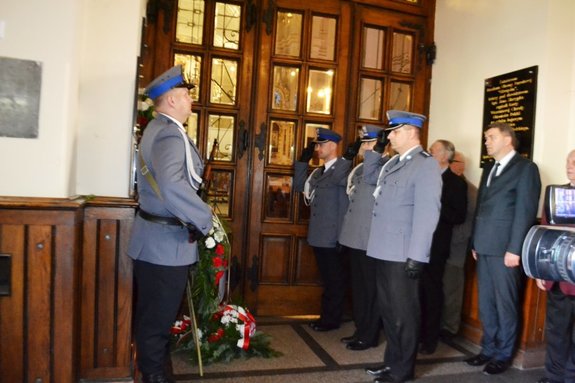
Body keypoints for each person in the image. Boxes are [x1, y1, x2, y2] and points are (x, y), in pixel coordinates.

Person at [128, 66, 213, 383]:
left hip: (155, 240)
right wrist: (205, 218)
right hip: (165, 244)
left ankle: (155, 372)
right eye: (188, 95)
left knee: (153, 317)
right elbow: (172, 183)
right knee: (157, 320)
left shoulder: (155, 128)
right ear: (174, 100)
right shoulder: (168, 133)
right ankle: (153, 376)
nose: (191, 101)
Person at [363, 110, 442, 383]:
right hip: (384, 249)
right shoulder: (396, 162)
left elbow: (427, 214)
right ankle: (391, 363)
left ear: (411, 131)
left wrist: (417, 256)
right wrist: (376, 149)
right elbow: (369, 178)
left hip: (403, 253)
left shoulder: (425, 165)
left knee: (404, 314)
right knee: (389, 311)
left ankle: (403, 370)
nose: (391, 136)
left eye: (395, 131)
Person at [465, 122, 541, 375]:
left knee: (505, 303)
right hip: (485, 245)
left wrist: (515, 249)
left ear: (508, 140)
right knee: (487, 303)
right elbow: (481, 209)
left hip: (505, 249)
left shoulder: (526, 168)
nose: (486, 141)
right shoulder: (490, 168)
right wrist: (475, 241)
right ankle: (488, 349)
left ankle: (504, 354)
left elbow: (525, 211)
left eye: (491, 137)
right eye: (486, 137)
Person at [294, 128, 358, 331]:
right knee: (328, 280)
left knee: (335, 282)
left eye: (321, 145)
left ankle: (331, 320)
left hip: (333, 237)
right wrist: (303, 162)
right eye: (316, 145)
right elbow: (299, 186)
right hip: (319, 236)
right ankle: (326, 317)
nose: (317, 148)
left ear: (332, 145)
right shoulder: (318, 172)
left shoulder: (343, 169)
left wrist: (348, 157)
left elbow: (337, 180)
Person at [339, 125, 389, 351]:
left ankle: (369, 335)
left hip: (371, 239)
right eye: (364, 143)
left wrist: (375, 154)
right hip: (355, 238)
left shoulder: (387, 167)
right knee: (358, 289)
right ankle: (360, 329)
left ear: (381, 146)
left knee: (370, 291)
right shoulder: (359, 168)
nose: (364, 148)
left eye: (368, 143)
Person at [419, 140, 467, 355]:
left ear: (445, 155)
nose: (429, 152)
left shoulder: (456, 184)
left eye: (433, 150)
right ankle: (415, 333)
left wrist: (436, 204)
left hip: (437, 245)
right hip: (417, 242)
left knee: (432, 291)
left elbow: (458, 216)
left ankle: (429, 339)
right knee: (416, 290)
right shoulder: (423, 177)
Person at [534, 149, 575, 383]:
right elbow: (544, 233)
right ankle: (554, 376)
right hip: (557, 277)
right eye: (567, 162)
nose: (569, 166)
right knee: (556, 331)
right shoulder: (555, 194)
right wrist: (541, 269)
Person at [440, 151, 478, 340]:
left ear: (460, 165)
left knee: (451, 288)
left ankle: (450, 328)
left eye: (451, 161)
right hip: (443, 243)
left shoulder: (468, 189)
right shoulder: (443, 183)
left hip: (456, 245)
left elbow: (467, 220)